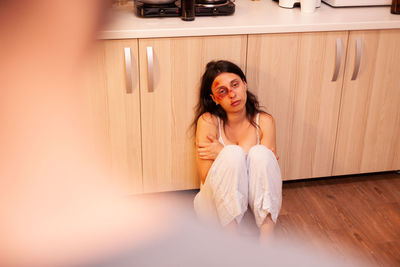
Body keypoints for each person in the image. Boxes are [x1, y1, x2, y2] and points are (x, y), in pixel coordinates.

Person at [192, 60, 282, 241]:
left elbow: (266, 176)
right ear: (215, 98)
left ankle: (267, 242)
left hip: (252, 212)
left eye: (235, 85)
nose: (232, 94)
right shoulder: (208, 121)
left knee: (261, 155)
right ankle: (231, 246)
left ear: (244, 84)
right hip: (215, 212)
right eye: (223, 91)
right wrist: (229, 154)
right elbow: (205, 175)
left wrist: (221, 152)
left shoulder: (265, 121)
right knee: (233, 154)